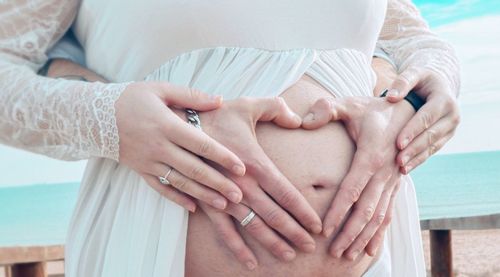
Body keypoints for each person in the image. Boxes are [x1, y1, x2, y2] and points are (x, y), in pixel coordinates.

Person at [0, 0, 460, 276]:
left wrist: (422, 96)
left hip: (370, 252)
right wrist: (112, 119)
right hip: (156, 243)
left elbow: (410, 39)